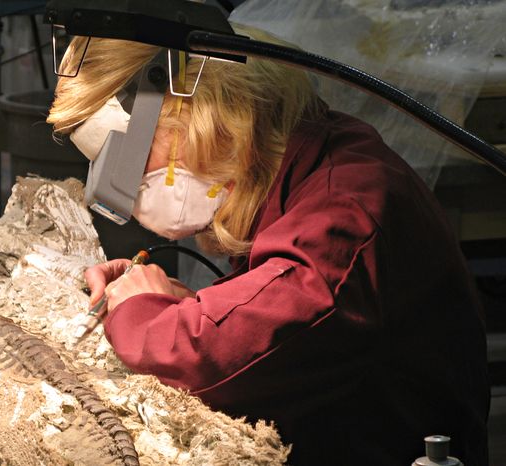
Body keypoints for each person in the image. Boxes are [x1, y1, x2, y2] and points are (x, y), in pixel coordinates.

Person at [48, 30, 490, 465]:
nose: (127, 184)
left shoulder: (346, 216)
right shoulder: (309, 156)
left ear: (205, 115)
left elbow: (211, 356)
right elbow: (280, 312)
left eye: (133, 157)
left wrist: (141, 313)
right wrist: (182, 305)